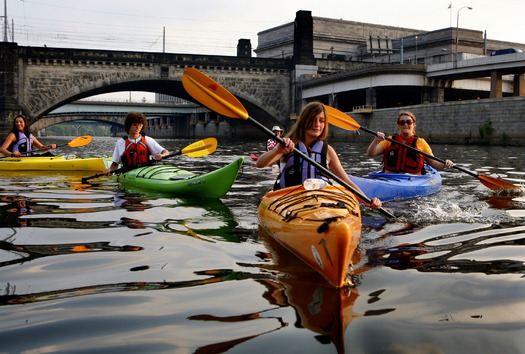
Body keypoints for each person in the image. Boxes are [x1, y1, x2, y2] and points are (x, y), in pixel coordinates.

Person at [256, 101, 382, 209]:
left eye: (321, 121)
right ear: (304, 122)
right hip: (290, 202)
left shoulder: (327, 151)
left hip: (320, 203)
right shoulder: (288, 145)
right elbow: (260, 164)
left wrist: (368, 201)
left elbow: (346, 182)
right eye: (312, 120)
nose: (317, 125)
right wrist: (277, 151)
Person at [367, 111, 454, 174]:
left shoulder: (421, 142)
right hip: (390, 177)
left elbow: (434, 163)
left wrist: (445, 164)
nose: (405, 125)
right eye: (402, 122)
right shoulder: (389, 140)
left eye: (409, 122)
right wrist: (376, 140)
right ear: (398, 125)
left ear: (413, 124)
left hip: (413, 179)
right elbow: (371, 154)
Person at [103, 112, 169, 175]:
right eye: (135, 125)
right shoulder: (121, 143)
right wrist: (109, 171)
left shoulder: (147, 140)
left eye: (140, 125)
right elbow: (115, 164)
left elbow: (165, 152)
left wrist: (162, 155)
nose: (137, 127)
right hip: (128, 173)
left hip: (145, 172)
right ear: (129, 125)